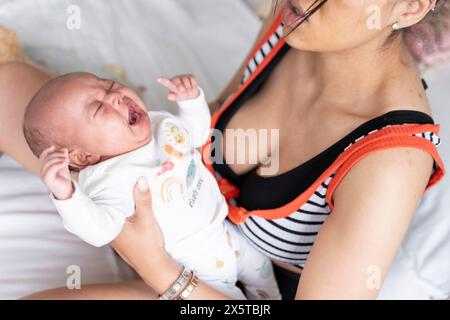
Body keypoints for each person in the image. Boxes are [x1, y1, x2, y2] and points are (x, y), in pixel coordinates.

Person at [0, 0, 447, 299]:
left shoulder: (390, 162)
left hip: (231, 292)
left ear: (410, 6)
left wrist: (157, 268)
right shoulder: (296, 22)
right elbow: (209, 126)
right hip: (177, 207)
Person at [24, 72, 280, 300]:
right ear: (82, 157)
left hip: (224, 231)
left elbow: (196, 135)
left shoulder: (159, 124)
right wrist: (67, 195)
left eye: (111, 85)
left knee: (262, 268)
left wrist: (191, 103)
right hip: (198, 268)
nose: (116, 97)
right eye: (99, 108)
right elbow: (99, 230)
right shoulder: (107, 181)